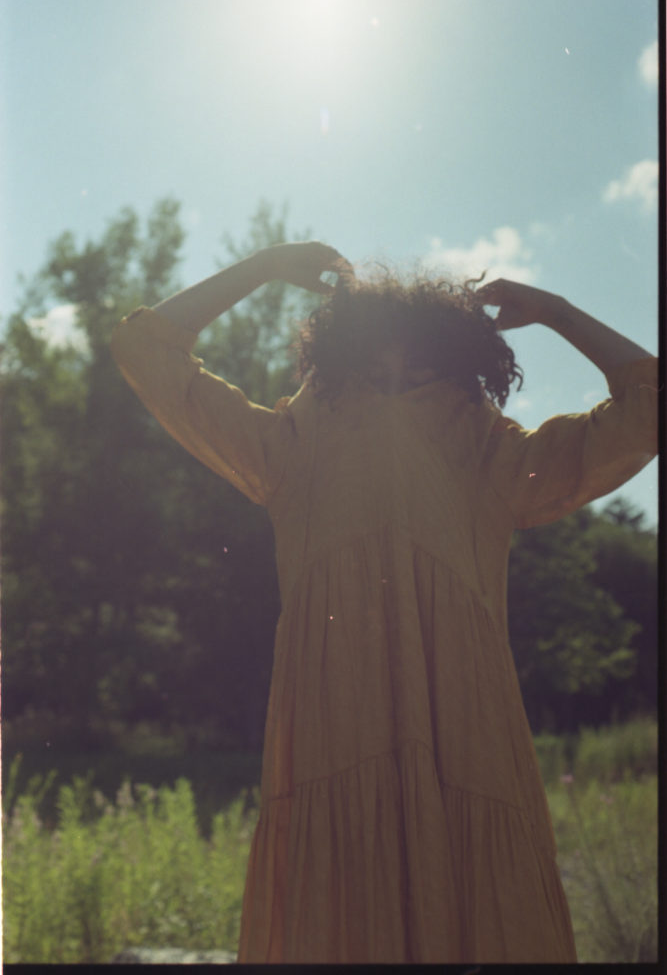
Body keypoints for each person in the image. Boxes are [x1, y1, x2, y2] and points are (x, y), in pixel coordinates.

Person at [110, 241, 657, 963]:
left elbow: (647, 405)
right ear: (342, 357)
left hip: (464, 740)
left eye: (420, 360)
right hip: (335, 733)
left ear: (456, 362)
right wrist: (263, 267)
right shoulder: (293, 443)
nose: (397, 375)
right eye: (377, 358)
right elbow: (145, 350)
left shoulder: (489, 452)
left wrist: (554, 312)